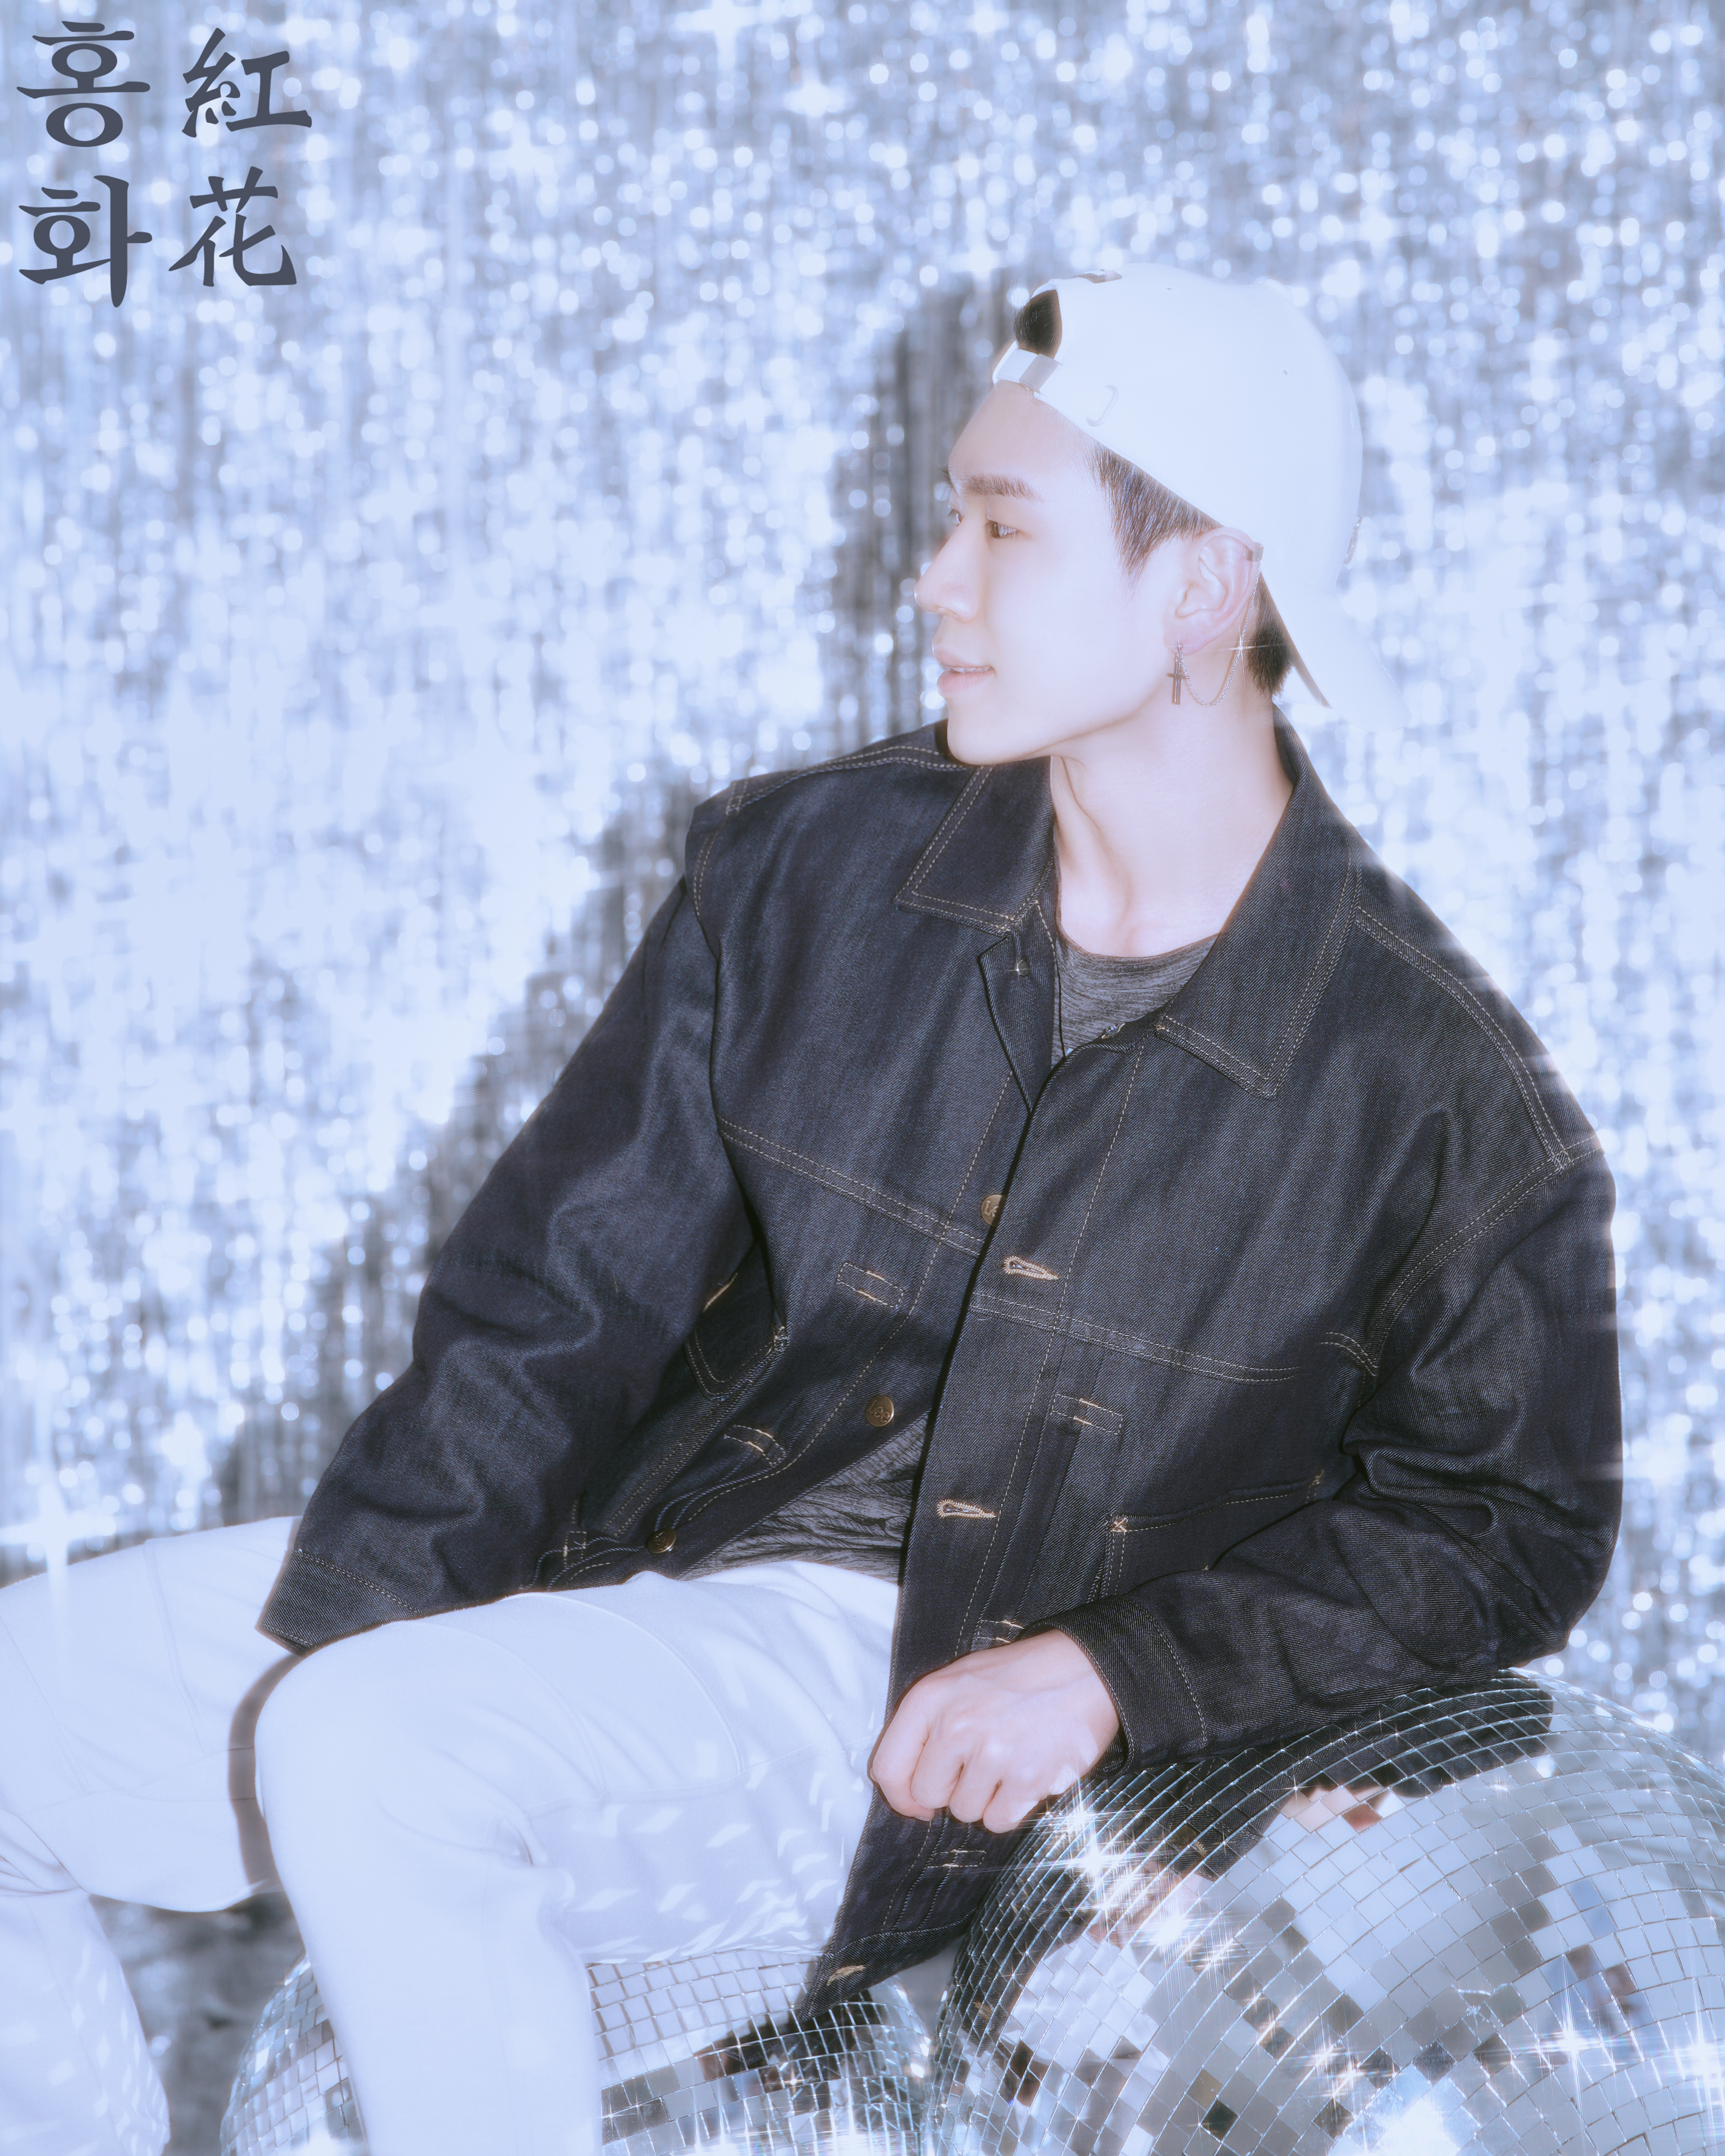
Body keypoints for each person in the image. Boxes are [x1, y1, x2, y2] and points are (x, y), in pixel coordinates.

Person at [0, 266, 1619, 2156]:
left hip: (908, 1695)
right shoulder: (807, 871)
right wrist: (371, 1610)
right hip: (623, 1552)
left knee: (374, 1746)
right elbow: (555, 1306)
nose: (932, 579)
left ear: (1203, 584)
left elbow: (1506, 1526)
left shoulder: (1430, 1087)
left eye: (1000, 527)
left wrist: (1119, 1668)